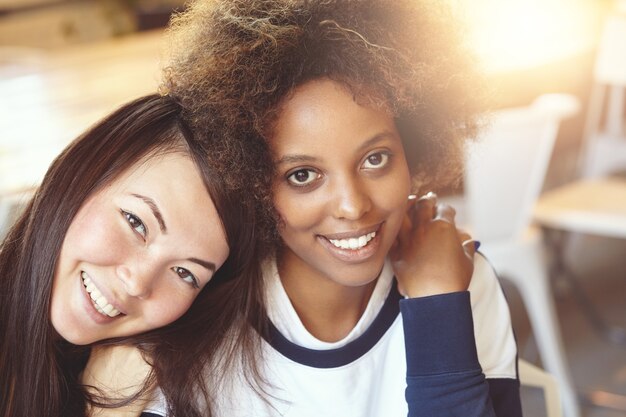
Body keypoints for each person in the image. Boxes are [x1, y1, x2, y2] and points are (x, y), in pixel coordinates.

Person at [149, 0, 524, 416]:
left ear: (413, 146)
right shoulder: (195, 316)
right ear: (248, 179)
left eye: (376, 158)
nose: (353, 206)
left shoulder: (462, 279)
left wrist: (438, 306)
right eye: (303, 175)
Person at [0, 94, 265, 417]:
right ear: (80, 174)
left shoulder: (151, 378)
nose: (139, 282)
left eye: (185, 273)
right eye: (136, 222)